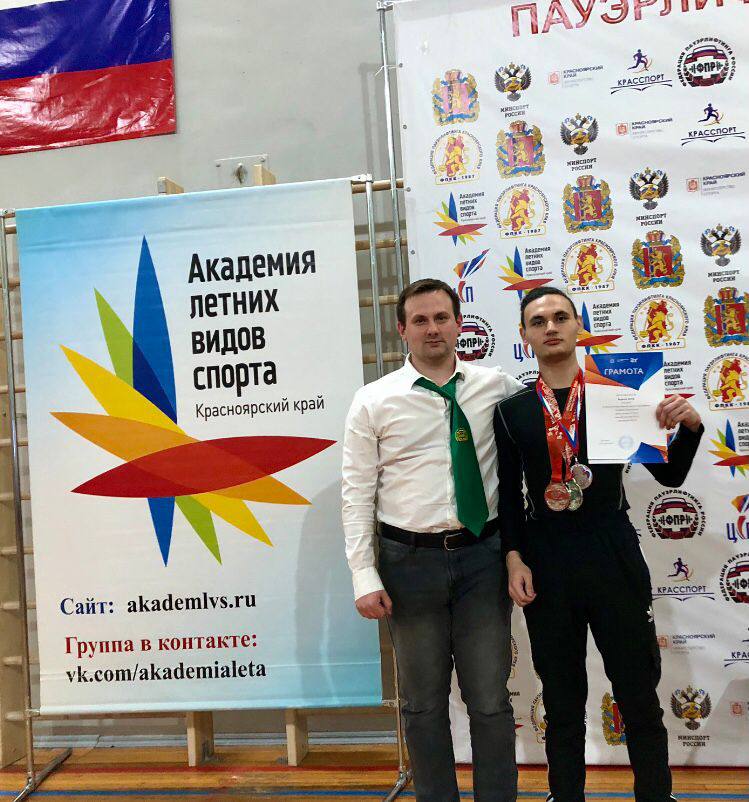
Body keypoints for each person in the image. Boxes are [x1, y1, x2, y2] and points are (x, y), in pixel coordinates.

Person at [495, 286, 703, 802]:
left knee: (637, 690)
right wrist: (514, 557)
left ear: (578, 326)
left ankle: (656, 795)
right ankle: (564, 795)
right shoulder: (512, 411)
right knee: (561, 697)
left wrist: (691, 426)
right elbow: (509, 495)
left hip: (611, 550)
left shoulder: (618, 393)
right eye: (538, 321)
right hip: (546, 559)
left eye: (560, 317)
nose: (550, 327)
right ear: (524, 336)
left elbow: (670, 476)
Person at [342, 278, 523, 802]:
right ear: (402, 330)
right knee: (421, 704)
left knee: (490, 700)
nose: (432, 329)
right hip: (408, 564)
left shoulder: (499, 388)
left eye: (442, 317)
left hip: (483, 559)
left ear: (459, 323)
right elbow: (357, 493)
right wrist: (363, 573)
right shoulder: (373, 401)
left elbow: (554, 425)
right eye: (419, 320)